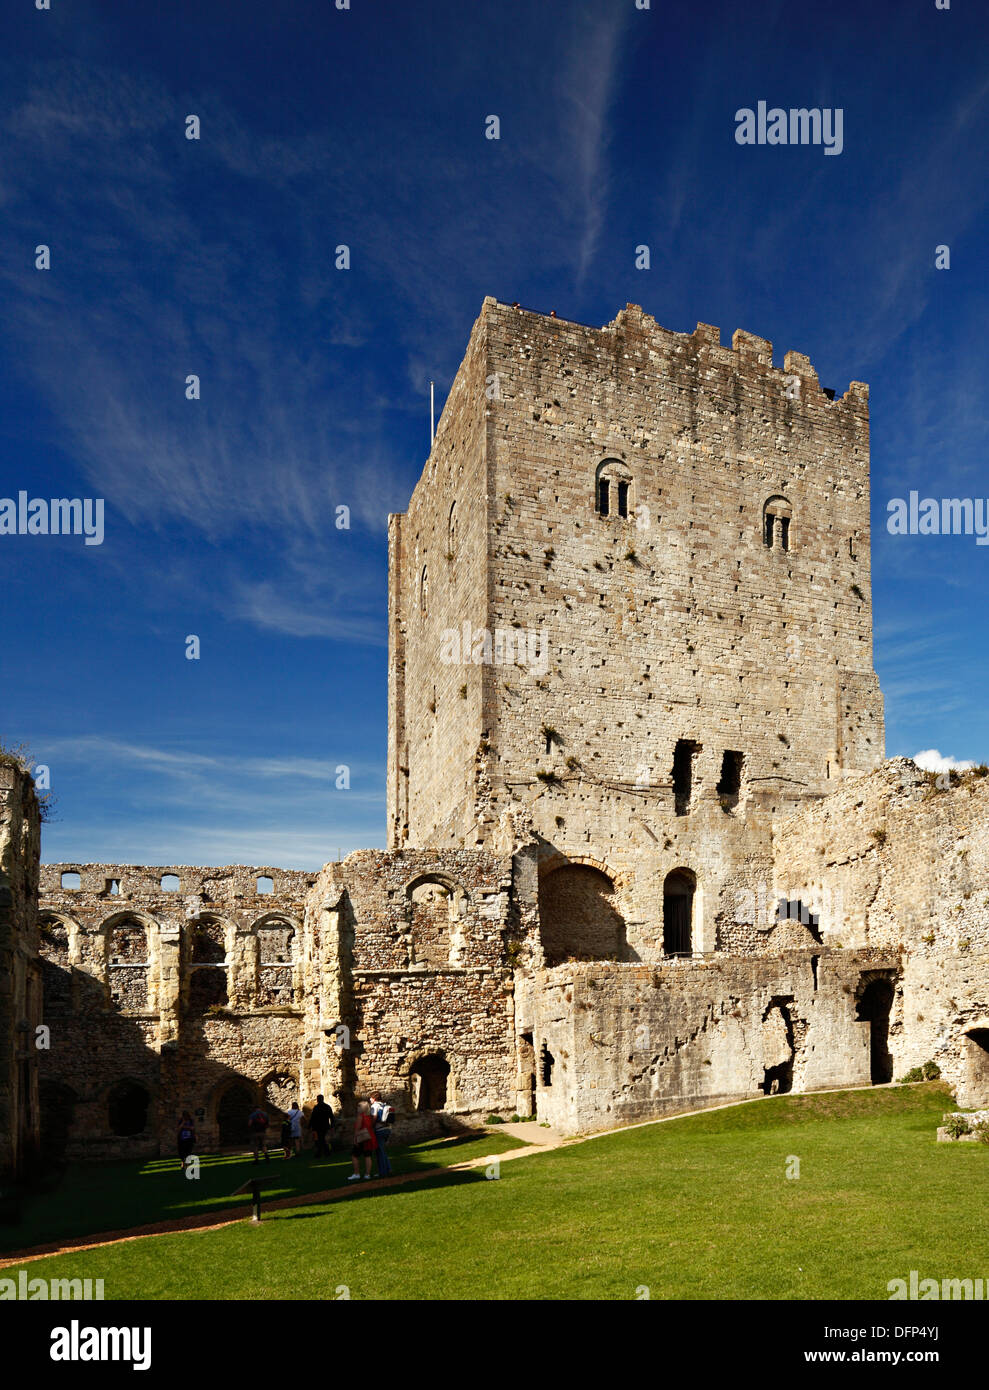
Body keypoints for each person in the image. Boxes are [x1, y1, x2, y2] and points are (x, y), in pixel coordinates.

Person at [348, 1100, 376, 1181]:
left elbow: (357, 1128)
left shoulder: (361, 1116)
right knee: (368, 1156)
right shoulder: (369, 1116)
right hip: (369, 1137)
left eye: (358, 1106)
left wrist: (355, 1139)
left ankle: (356, 1173)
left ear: (361, 1108)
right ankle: (367, 1174)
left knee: (354, 1155)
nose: (357, 1108)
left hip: (362, 1138)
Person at [369, 1092, 393, 1178]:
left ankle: (382, 1172)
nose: (370, 1099)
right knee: (382, 1150)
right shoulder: (384, 1104)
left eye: (371, 1098)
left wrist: (370, 1128)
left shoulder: (374, 1106)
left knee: (379, 1151)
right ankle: (388, 1169)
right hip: (387, 1129)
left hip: (379, 1130)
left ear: (374, 1098)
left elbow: (374, 1118)